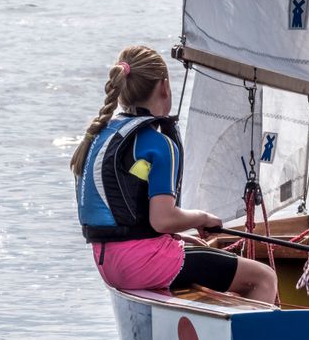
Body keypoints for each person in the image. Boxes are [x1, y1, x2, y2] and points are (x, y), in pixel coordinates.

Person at [70, 45, 277, 302]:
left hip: (108, 263)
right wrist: (202, 218)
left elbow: (136, 219)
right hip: (142, 263)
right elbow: (162, 220)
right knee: (263, 277)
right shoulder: (159, 144)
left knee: (206, 260)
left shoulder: (102, 133)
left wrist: (181, 239)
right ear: (164, 87)